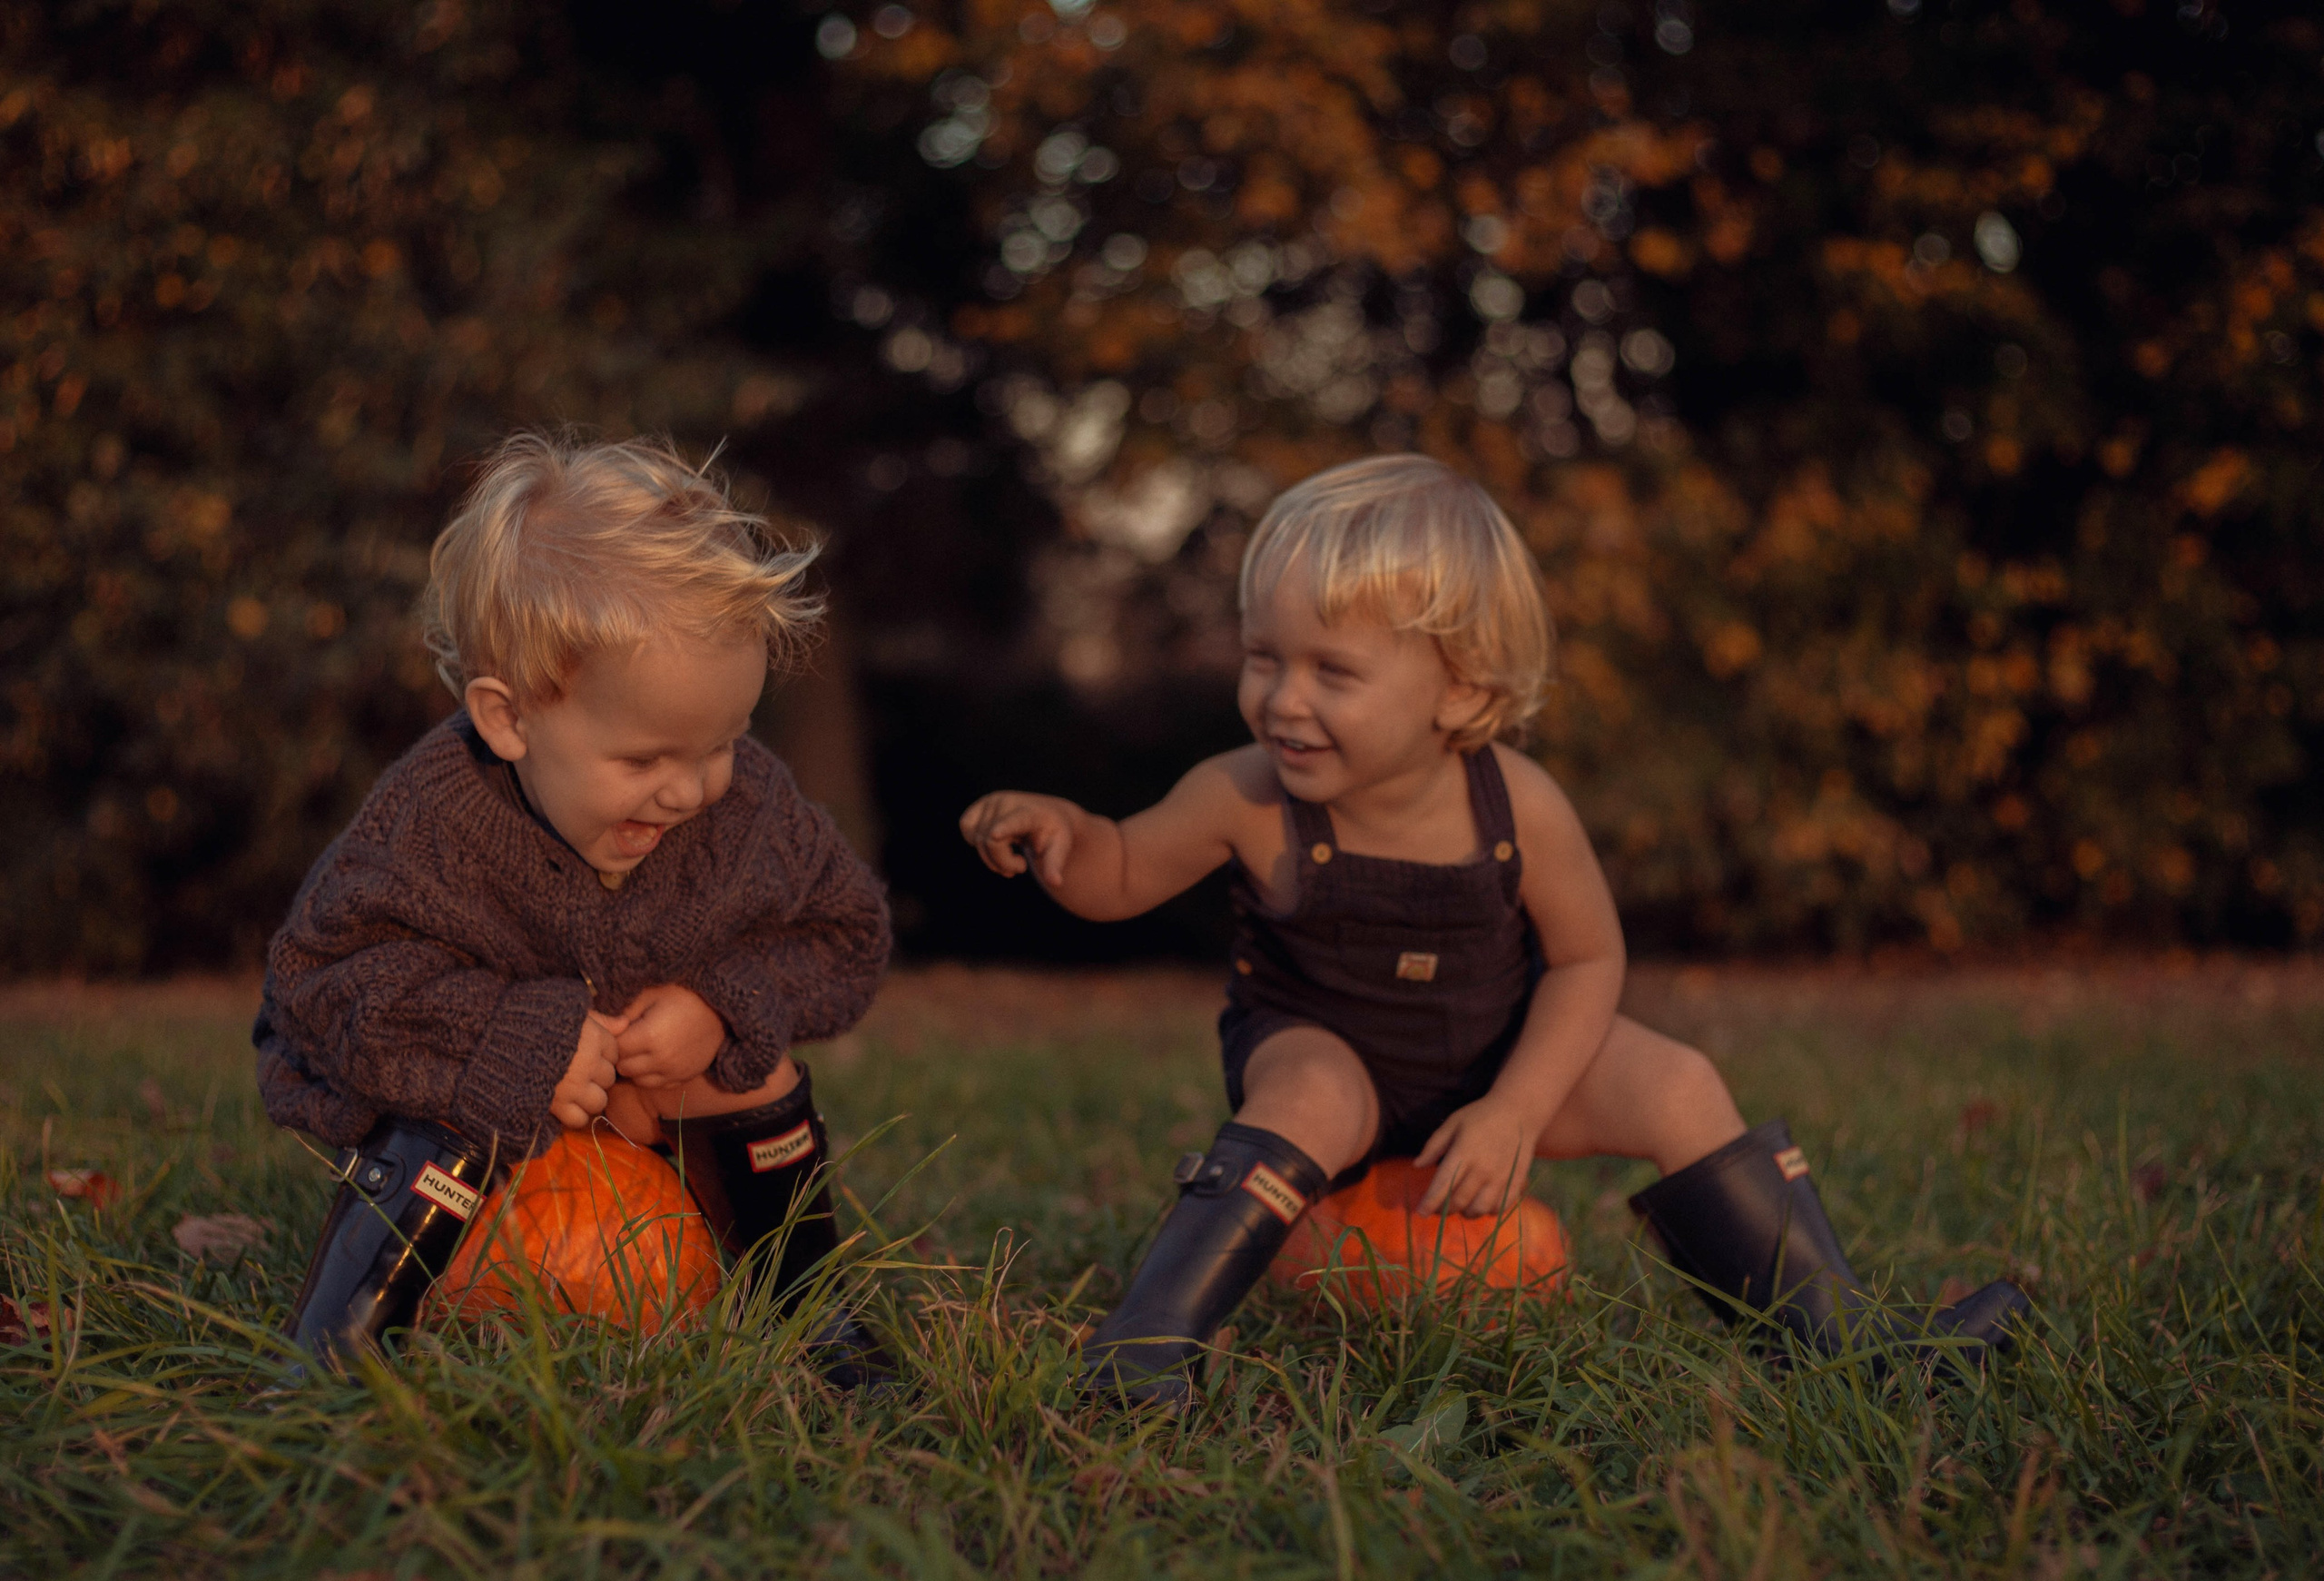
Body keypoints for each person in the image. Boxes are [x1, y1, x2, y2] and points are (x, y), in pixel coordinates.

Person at [960, 454, 2026, 1408]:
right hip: (1325, 1043)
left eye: (1332, 671)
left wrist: (1515, 1107)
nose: (1282, 700)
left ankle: (1850, 1344)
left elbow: (1588, 959)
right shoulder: (1240, 795)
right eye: (1261, 658)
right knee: (1311, 1090)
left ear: (1460, 684)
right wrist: (1070, 837)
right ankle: (1142, 1349)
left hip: (1494, 1052)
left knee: (1679, 1083)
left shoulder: (1519, 807)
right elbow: (1121, 873)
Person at [255, 433, 891, 1382]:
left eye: (723, 741)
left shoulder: (748, 811)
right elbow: (319, 982)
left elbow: (847, 935)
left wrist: (719, 1002)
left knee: (748, 1064)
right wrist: (517, 1039)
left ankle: (806, 1304)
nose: (691, 789)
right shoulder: (429, 823)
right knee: (452, 1095)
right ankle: (343, 1338)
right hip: (473, 1114)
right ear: (509, 718)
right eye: (643, 761)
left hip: (642, 1098)